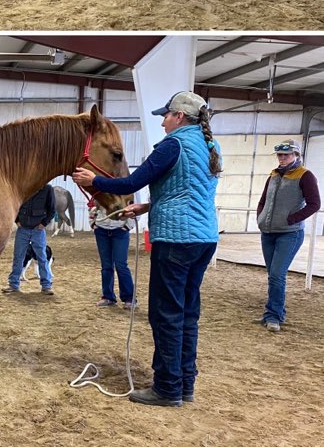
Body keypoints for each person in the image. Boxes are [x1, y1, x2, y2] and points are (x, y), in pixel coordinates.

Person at [72, 91, 221, 407]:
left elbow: (130, 182)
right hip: (204, 237)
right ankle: (185, 384)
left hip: (176, 238)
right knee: (187, 312)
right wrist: (145, 208)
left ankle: (167, 388)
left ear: (179, 117)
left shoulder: (173, 145)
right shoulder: (209, 145)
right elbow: (188, 192)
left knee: (165, 314)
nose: (163, 122)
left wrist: (93, 180)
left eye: (166, 116)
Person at [255, 139, 320, 332]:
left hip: (289, 234)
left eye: (286, 154)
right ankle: (274, 312)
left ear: (296, 155)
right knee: (273, 274)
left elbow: (314, 203)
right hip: (268, 232)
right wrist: (260, 217)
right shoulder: (273, 175)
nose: (282, 158)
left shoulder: (305, 176)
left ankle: (274, 315)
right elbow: (264, 199)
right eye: (280, 155)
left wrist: (293, 219)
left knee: (277, 274)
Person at [2, 182, 55, 295]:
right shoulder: (22, 187)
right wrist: (17, 221)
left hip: (38, 230)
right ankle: (13, 284)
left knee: (42, 257)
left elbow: (52, 210)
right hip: (23, 229)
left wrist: (43, 224)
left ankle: (46, 285)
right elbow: (14, 205)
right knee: (18, 257)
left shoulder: (47, 189)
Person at [90, 202, 135, 309]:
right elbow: (91, 205)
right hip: (101, 230)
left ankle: (129, 298)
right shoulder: (100, 188)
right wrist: (93, 222)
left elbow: (134, 206)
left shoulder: (127, 188)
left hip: (120, 230)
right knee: (106, 266)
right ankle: (108, 296)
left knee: (121, 265)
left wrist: (128, 226)